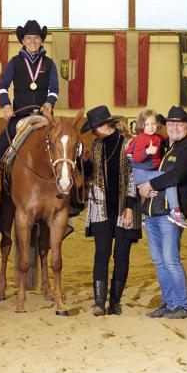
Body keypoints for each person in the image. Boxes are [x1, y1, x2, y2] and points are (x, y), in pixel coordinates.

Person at [0, 19, 58, 208]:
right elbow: (2, 87)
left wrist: (49, 103)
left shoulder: (49, 64)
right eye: (28, 38)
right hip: (20, 116)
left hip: (44, 117)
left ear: (41, 40)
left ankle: (72, 190)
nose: (32, 41)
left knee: (64, 146)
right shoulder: (15, 62)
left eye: (36, 38)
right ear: (22, 41)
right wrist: (6, 106)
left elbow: (54, 89)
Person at [136, 106, 187, 319]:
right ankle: (170, 302)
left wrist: (149, 184)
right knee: (159, 261)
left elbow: (176, 176)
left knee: (171, 260)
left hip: (169, 215)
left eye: (179, 124)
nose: (174, 127)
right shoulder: (162, 146)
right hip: (152, 213)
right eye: (171, 124)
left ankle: (182, 305)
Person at [81, 106, 139, 317]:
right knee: (101, 254)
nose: (92, 132)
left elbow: (133, 177)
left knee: (121, 256)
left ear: (105, 125)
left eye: (94, 128)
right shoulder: (96, 146)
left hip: (126, 208)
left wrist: (129, 206)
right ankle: (99, 303)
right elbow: (90, 175)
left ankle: (115, 302)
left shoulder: (128, 145)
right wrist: (84, 162)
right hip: (100, 208)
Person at [127, 109, 186, 228]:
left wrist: (185, 141)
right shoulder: (142, 138)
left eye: (153, 124)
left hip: (148, 171)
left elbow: (166, 140)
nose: (151, 127)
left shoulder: (156, 137)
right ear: (141, 125)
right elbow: (136, 158)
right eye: (147, 124)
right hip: (140, 172)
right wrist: (147, 151)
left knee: (156, 190)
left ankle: (147, 216)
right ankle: (175, 210)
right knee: (167, 179)